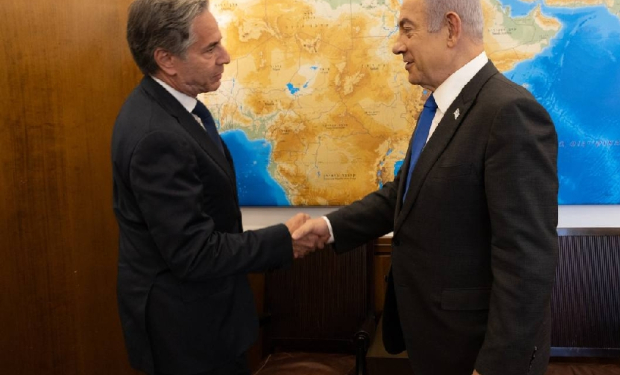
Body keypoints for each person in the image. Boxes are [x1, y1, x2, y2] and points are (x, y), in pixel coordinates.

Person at [292, 0, 559, 374]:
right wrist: (329, 227)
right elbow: (405, 194)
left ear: (451, 29)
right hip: (435, 340)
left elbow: (527, 261)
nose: (396, 45)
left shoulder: (508, 112)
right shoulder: (441, 107)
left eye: (408, 29)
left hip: (476, 352)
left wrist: (495, 367)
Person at [111, 1, 324, 374]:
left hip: (207, 319)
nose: (225, 57)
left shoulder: (179, 108)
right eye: (210, 48)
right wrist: (282, 240)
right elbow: (193, 252)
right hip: (186, 336)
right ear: (167, 59)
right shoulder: (156, 135)